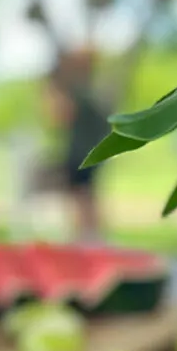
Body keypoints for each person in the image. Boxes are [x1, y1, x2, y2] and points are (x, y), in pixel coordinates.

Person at [43, 50, 110, 244]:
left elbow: (60, 117)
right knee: (85, 195)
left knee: (82, 195)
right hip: (89, 150)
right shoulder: (85, 91)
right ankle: (89, 238)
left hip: (81, 152)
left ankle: (88, 238)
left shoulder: (72, 91)